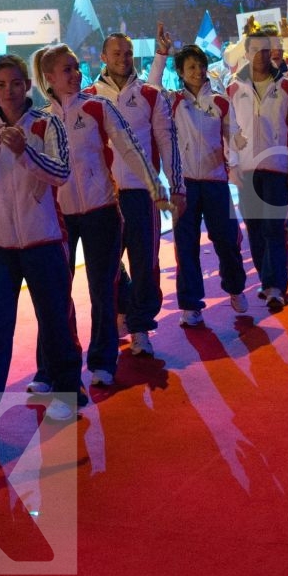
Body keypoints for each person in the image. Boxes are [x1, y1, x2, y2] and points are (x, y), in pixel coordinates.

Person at [0, 54, 81, 427]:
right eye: (1, 85)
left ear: (26, 85)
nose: (9, 91)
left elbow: (61, 173)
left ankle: (67, 390)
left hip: (43, 238)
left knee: (55, 320)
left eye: (15, 83)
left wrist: (24, 152)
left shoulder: (47, 124)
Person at [37, 43, 162, 385]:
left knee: (103, 291)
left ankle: (102, 362)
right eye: (67, 69)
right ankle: (51, 367)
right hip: (59, 218)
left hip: (102, 211)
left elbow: (128, 146)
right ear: (49, 78)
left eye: (77, 67)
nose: (76, 74)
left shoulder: (97, 106)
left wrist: (154, 183)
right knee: (55, 293)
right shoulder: (41, 120)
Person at [83, 31, 178, 357]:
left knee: (145, 263)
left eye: (128, 53)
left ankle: (140, 327)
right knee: (105, 270)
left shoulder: (150, 95)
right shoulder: (88, 97)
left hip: (142, 194)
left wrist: (174, 186)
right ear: (103, 58)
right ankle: (119, 316)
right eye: (117, 53)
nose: (123, 58)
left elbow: (166, 142)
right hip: (103, 198)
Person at [226, 29, 288, 309]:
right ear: (247, 52)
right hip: (247, 170)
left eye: (266, 50)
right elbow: (228, 129)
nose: (261, 55)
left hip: (278, 167)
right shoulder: (233, 87)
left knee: (274, 227)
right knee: (254, 229)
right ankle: (268, 281)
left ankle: (275, 285)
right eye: (255, 50)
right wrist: (232, 164)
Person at [166, 44, 249, 326]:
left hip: (216, 182)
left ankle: (236, 288)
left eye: (201, 66)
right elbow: (150, 86)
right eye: (191, 67)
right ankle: (191, 304)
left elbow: (233, 134)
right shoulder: (172, 102)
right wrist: (159, 56)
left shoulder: (220, 101)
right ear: (180, 72)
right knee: (186, 245)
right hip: (185, 184)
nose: (198, 72)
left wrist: (237, 153)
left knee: (227, 240)